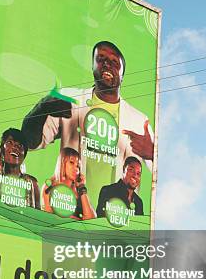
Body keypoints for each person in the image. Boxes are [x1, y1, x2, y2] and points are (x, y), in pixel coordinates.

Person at [21, 41, 154, 207]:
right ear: (93, 66)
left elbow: (162, 174)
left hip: (115, 219)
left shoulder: (139, 121)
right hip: (68, 206)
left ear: (122, 75)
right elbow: (30, 143)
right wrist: (40, 110)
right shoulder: (70, 100)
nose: (107, 64)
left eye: (114, 62)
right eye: (101, 59)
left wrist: (152, 153)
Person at [0, 128, 40, 208]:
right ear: (1, 150)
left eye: (20, 145)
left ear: (24, 155)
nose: (15, 147)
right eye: (10, 142)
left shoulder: (32, 183)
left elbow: (38, 216)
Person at [42, 147, 96, 220]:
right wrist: (76, 220)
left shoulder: (79, 189)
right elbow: (49, 219)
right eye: (71, 162)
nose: (76, 169)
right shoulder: (49, 186)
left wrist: (82, 187)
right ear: (62, 162)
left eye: (78, 166)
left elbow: (91, 219)